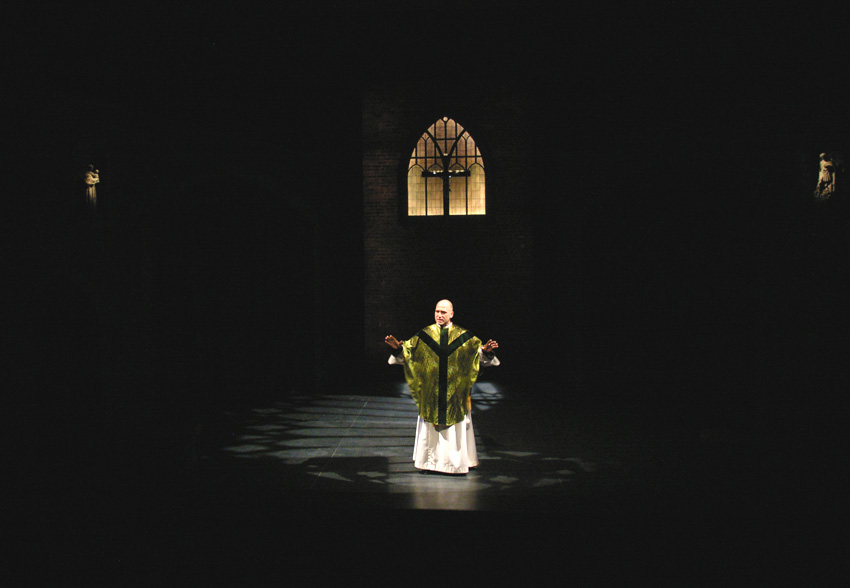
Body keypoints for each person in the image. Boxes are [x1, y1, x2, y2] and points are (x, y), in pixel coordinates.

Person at [384, 299, 499, 474]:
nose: (439, 315)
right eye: (437, 311)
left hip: (455, 393)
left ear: (451, 314)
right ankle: (429, 463)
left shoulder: (464, 337)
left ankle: (455, 463)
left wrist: (486, 352)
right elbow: (407, 355)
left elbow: (478, 356)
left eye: (443, 312)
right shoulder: (425, 336)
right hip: (432, 392)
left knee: (454, 428)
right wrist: (397, 350)